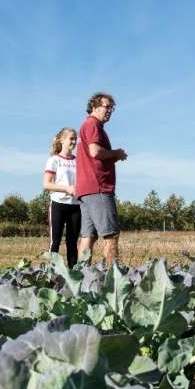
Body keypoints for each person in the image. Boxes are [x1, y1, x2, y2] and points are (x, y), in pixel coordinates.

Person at [75, 92, 127, 265]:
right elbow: (95, 151)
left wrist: (113, 156)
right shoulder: (92, 125)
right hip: (98, 187)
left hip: (85, 189)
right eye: (107, 106)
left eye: (112, 108)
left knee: (87, 236)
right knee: (111, 235)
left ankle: (81, 277)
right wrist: (116, 153)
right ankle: (111, 280)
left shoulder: (87, 126)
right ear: (95, 106)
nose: (110, 110)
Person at [44, 127, 81, 268]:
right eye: (71, 138)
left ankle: (73, 275)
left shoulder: (78, 161)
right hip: (58, 204)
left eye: (75, 138)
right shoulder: (53, 160)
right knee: (55, 242)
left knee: (72, 243)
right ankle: (50, 274)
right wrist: (66, 188)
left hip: (75, 206)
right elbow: (47, 184)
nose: (74, 141)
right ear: (62, 140)